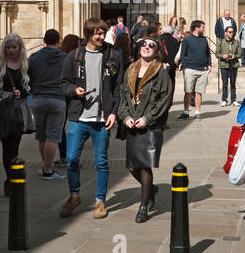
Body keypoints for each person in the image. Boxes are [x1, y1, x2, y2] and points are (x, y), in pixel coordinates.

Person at [59, 19, 122, 219]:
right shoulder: (74, 56)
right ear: (88, 34)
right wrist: (73, 90)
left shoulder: (114, 56)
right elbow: (63, 83)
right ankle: (74, 195)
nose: (101, 37)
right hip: (79, 117)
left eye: (103, 33)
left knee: (101, 161)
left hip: (102, 118)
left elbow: (119, 87)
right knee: (70, 159)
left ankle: (100, 200)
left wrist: (113, 112)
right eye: (97, 33)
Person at [117, 35, 174, 223]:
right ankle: (150, 189)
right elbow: (123, 96)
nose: (147, 47)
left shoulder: (161, 72)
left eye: (152, 45)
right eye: (144, 44)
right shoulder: (130, 69)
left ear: (157, 51)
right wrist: (125, 117)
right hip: (132, 123)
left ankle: (143, 206)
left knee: (145, 164)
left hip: (151, 125)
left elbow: (165, 100)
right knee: (133, 167)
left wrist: (147, 118)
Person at [0, 33, 31, 186]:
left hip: (18, 107)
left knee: (15, 145)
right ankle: (9, 179)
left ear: (20, 48)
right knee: (6, 145)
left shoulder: (25, 64)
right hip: (3, 106)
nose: (11, 50)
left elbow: (31, 85)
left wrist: (22, 92)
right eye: (8, 47)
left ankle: (13, 178)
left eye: (14, 47)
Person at [28, 29, 68, 179]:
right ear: (58, 41)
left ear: (44, 40)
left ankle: (45, 166)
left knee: (42, 135)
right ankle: (48, 170)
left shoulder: (34, 57)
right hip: (57, 98)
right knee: (52, 136)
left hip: (38, 99)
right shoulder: (65, 58)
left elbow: (27, 77)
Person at [174, 20, 213, 120]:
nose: (204, 29)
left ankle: (197, 112)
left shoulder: (204, 40)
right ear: (197, 28)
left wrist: (209, 65)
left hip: (203, 70)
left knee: (199, 92)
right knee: (188, 92)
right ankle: (186, 112)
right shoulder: (187, 39)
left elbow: (208, 53)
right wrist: (185, 67)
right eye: (202, 27)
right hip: (190, 69)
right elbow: (183, 54)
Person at [215, 22, 240, 106]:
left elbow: (240, 54)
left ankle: (233, 100)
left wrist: (234, 56)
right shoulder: (221, 42)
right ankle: (224, 99)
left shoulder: (236, 42)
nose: (231, 33)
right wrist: (223, 56)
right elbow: (217, 54)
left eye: (232, 32)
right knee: (225, 83)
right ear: (225, 33)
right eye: (230, 32)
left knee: (233, 83)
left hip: (234, 64)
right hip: (224, 65)